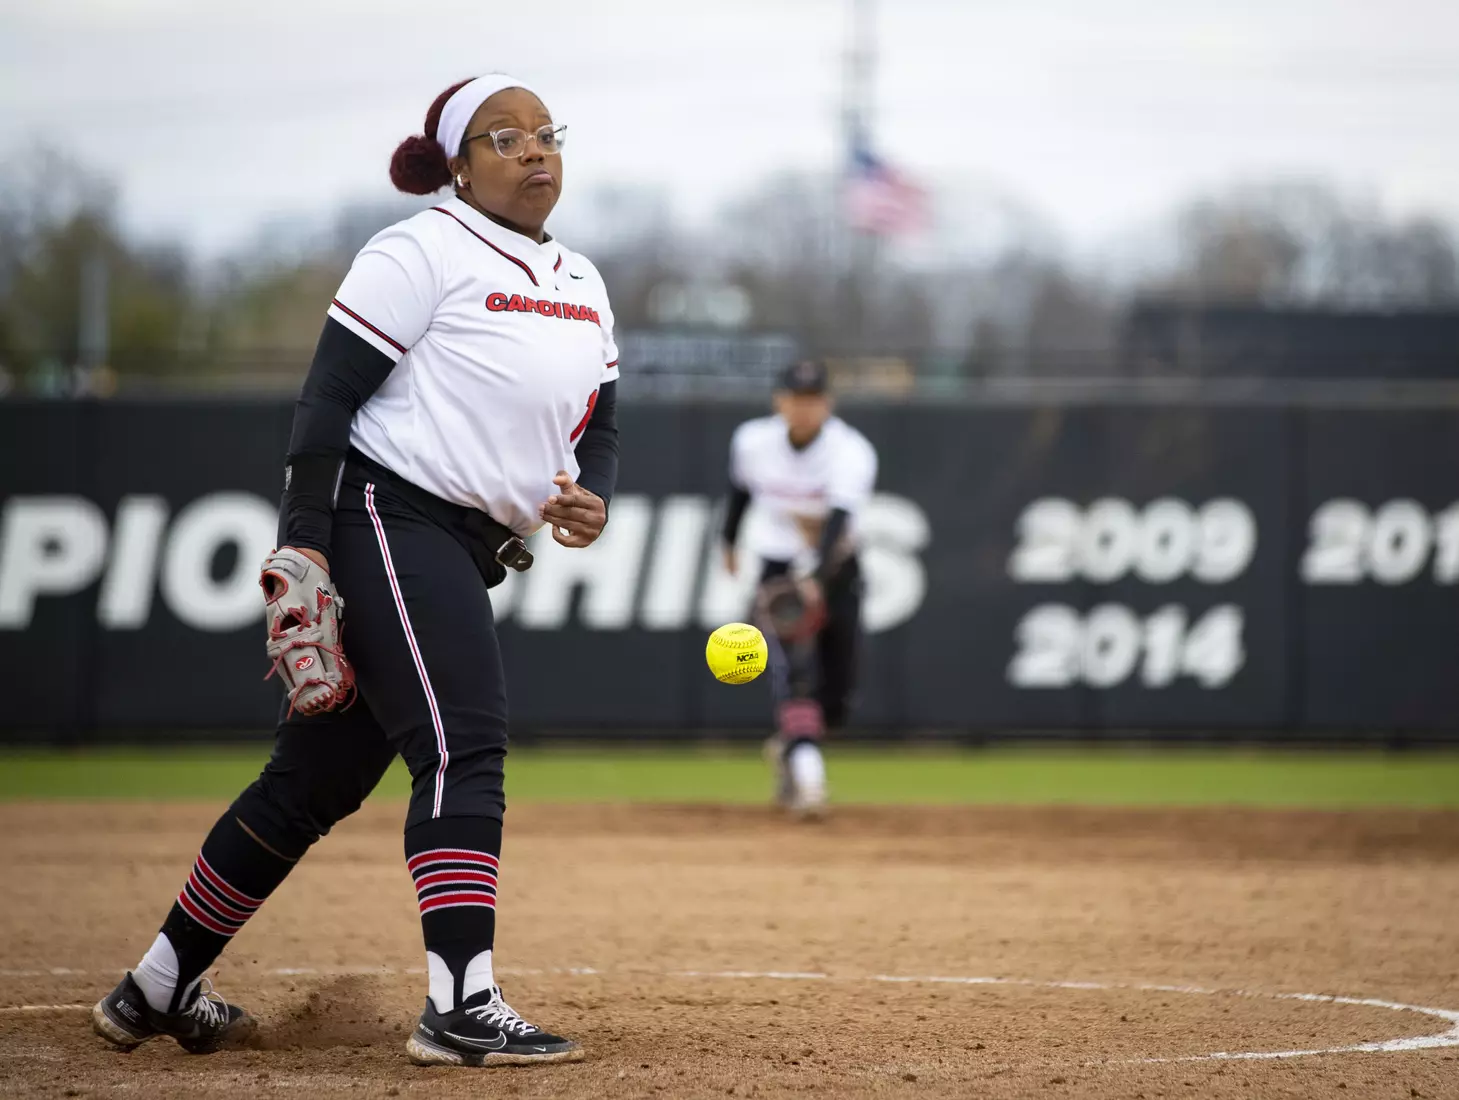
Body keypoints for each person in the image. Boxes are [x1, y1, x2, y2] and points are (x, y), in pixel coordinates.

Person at [90, 74, 619, 1069]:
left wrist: (593, 493)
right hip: (386, 513)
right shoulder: (420, 250)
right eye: (505, 138)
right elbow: (327, 398)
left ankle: (156, 984)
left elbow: (603, 425)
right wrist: (304, 540)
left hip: (467, 541)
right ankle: (460, 1002)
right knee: (462, 743)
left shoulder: (581, 280)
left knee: (310, 782)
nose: (535, 151)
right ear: (458, 166)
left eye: (546, 133)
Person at [720, 361, 877, 818]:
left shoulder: (851, 451)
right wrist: (728, 541)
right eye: (796, 398)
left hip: (835, 570)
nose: (804, 408)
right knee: (794, 675)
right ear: (780, 401)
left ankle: (791, 743)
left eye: (813, 399)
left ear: (827, 404)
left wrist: (816, 582)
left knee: (838, 694)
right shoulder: (752, 441)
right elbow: (740, 492)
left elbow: (839, 524)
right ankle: (810, 781)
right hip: (777, 568)